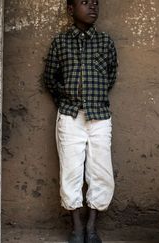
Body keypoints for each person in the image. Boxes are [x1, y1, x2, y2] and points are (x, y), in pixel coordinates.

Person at [43, 0, 118, 242]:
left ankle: (91, 227)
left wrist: (92, 97)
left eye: (95, 3)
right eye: (85, 2)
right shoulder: (60, 42)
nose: (92, 7)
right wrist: (68, 99)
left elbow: (111, 75)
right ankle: (76, 227)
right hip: (70, 115)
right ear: (70, 9)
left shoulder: (105, 42)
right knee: (71, 171)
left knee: (101, 171)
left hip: (99, 117)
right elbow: (50, 78)